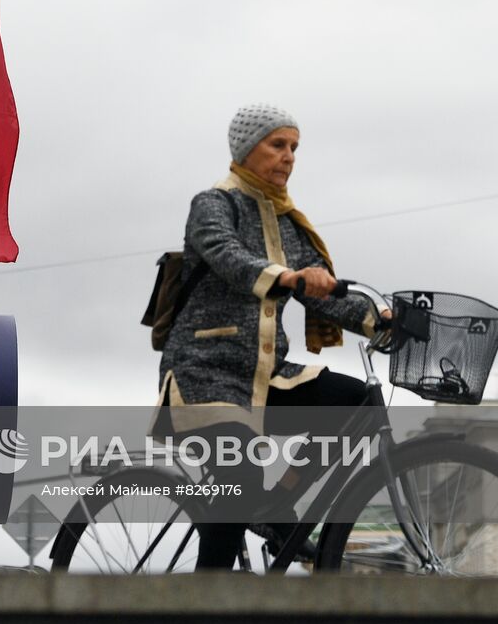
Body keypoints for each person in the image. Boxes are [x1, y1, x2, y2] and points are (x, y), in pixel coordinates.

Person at [156, 103, 393, 570]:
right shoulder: (213, 204)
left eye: (294, 148)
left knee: (359, 405)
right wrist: (286, 276)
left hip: (266, 376)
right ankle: (206, 607)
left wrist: (379, 319)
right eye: (277, 145)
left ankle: (277, 505)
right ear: (247, 149)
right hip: (206, 377)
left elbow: (321, 289)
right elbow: (227, 256)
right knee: (235, 493)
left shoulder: (286, 222)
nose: (288, 157)